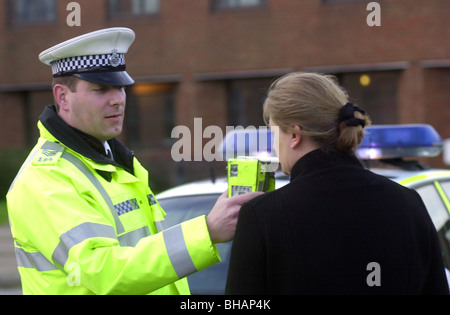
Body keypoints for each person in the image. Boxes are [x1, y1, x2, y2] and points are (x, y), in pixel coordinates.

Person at [6, 27, 260, 295]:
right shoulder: (46, 178)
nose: (117, 100)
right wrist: (206, 231)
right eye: (101, 89)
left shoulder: (114, 160)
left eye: (121, 88)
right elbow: (105, 273)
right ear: (62, 96)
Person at [225, 72, 449, 295]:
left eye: (274, 133)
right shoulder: (409, 203)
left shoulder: (262, 216)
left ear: (294, 134)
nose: (275, 145)